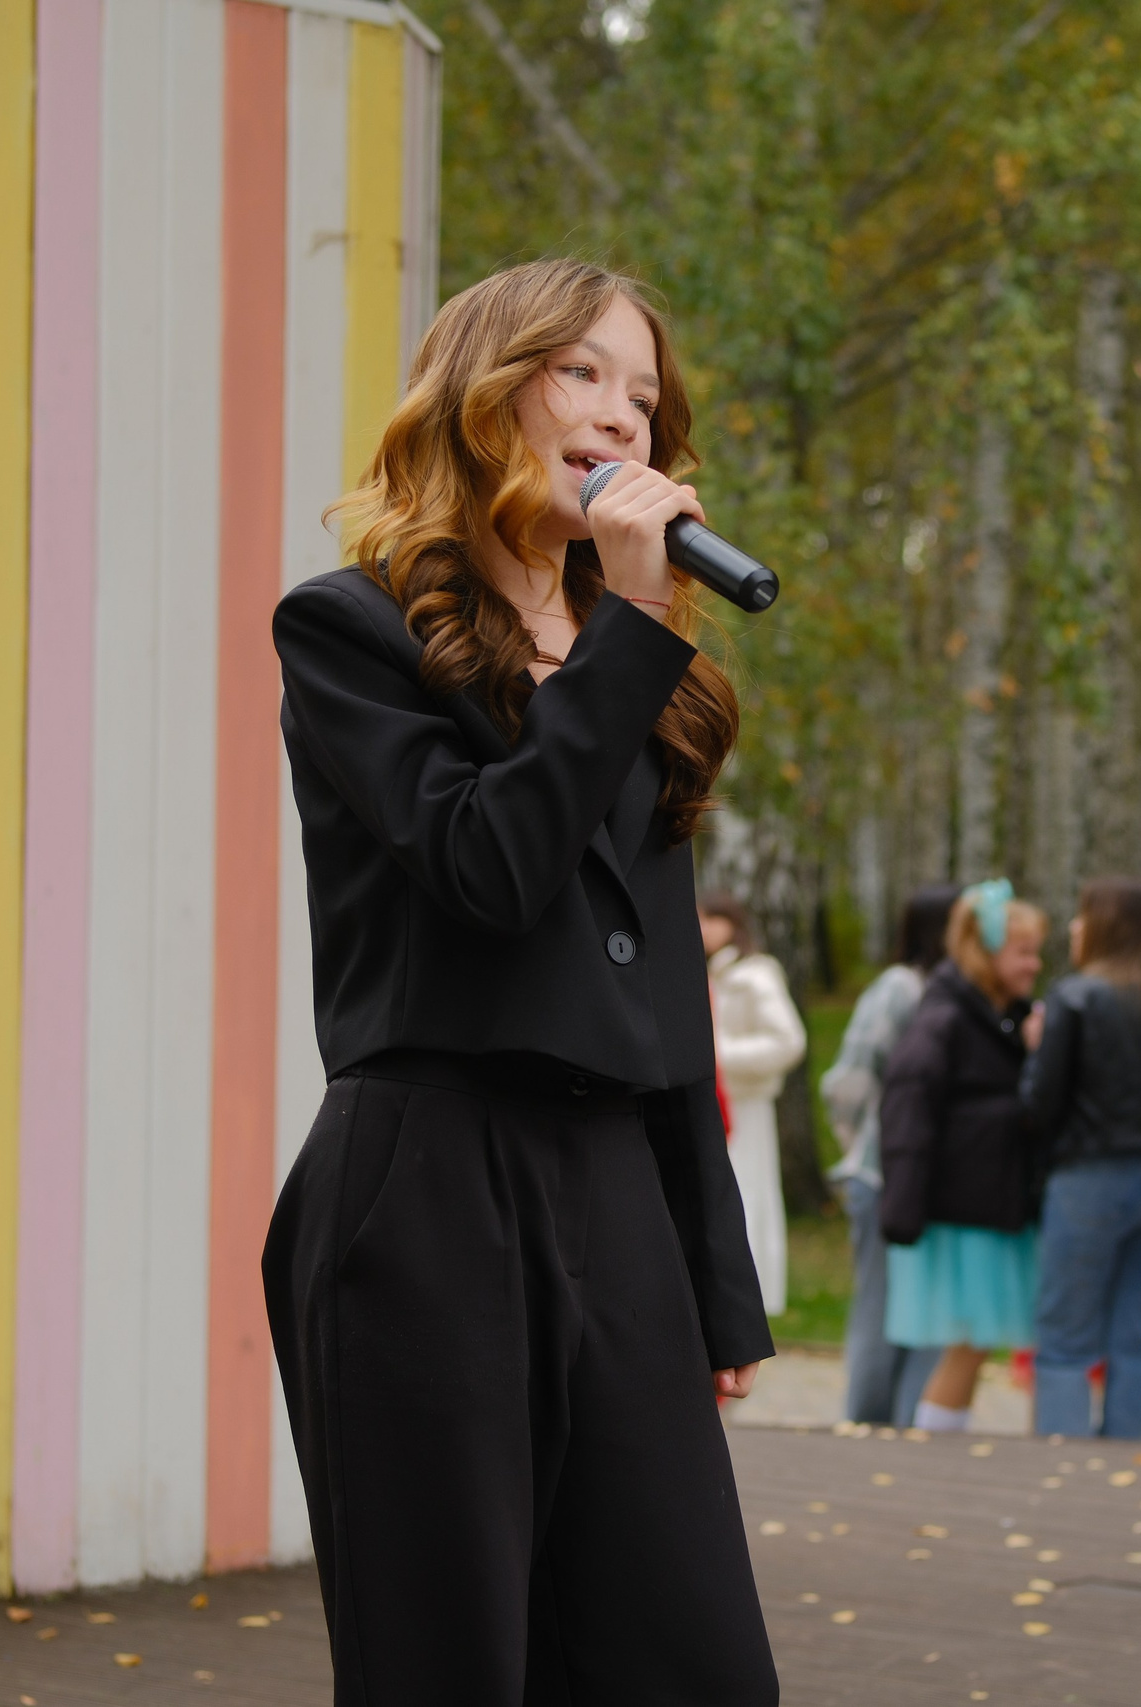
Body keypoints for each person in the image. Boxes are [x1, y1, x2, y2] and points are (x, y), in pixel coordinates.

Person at [259, 258, 776, 1704]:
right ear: (485, 394)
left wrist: (710, 1268)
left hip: (616, 1190)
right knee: (454, 1663)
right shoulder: (352, 633)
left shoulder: (643, 668)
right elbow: (489, 865)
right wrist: (631, 634)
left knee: (693, 1667)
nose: (620, 415)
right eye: (582, 373)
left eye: (643, 396)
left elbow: (661, 985)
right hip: (427, 1187)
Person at [1020, 878, 1141, 1440]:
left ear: (1105, 929)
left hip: (1087, 1178)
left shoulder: (1074, 998)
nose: (1073, 928)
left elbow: (1038, 1105)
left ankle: (1065, 1455)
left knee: (1066, 1337)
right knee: (1140, 1335)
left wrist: (1034, 1052)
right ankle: (1127, 1454)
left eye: (1083, 917)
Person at [878, 881, 1048, 1433]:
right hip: (965, 1209)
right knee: (968, 1343)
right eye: (1023, 952)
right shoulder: (947, 1019)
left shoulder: (999, 1017)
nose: (1035, 965)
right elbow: (908, 1111)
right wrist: (903, 1205)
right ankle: (934, 1446)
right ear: (987, 952)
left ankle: (943, 1441)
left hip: (989, 1202)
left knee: (973, 1345)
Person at [821, 886, 960, 1424]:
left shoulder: (955, 992)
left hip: (932, 1182)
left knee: (926, 1316)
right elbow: (849, 1081)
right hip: (883, 1175)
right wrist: (861, 1146)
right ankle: (867, 1430)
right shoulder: (899, 988)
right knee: (880, 1312)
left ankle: (908, 1428)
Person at [702, 892, 808, 1317]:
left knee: (746, 1197)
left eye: (708, 919)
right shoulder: (713, 972)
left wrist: (718, 1056)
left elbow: (788, 1039)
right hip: (716, 1104)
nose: (701, 929)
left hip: (745, 1105)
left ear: (729, 922)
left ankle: (747, 1300)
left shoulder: (754, 974)